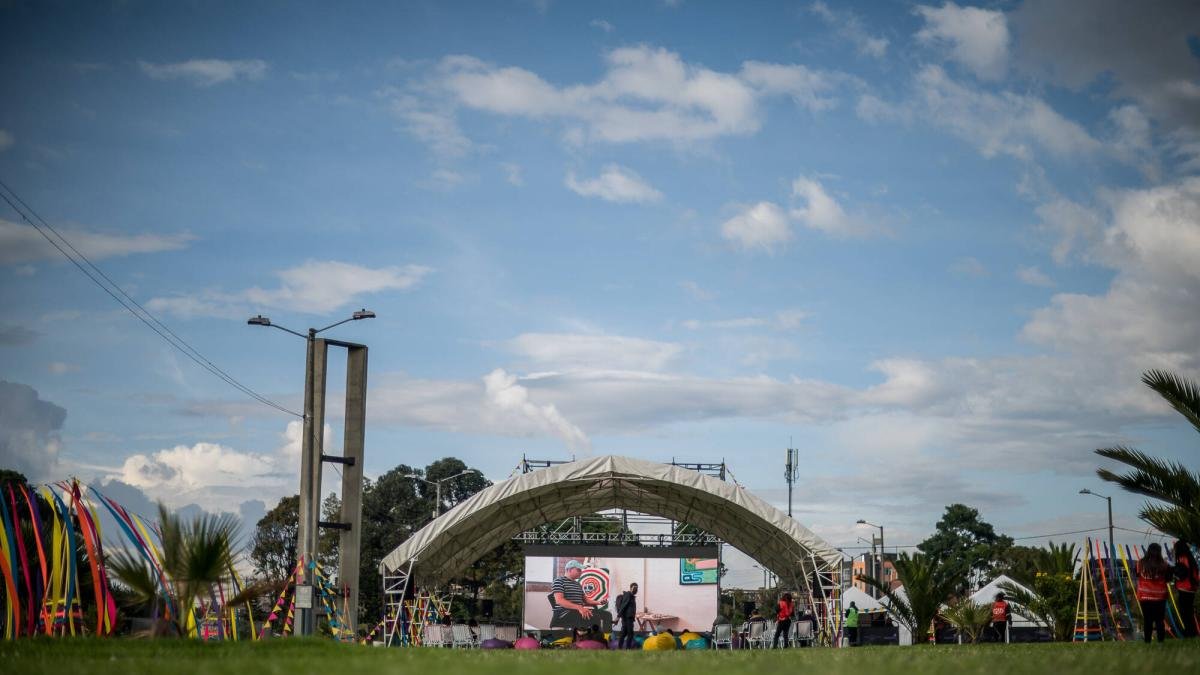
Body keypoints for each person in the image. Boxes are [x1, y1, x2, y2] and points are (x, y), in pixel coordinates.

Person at [549, 560, 613, 631]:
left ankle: (606, 638)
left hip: (578, 610)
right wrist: (579, 607)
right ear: (569, 570)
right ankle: (593, 640)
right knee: (594, 617)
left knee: (607, 615)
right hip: (564, 612)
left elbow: (586, 600)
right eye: (578, 570)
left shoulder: (577, 584)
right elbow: (559, 601)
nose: (581, 572)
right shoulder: (559, 581)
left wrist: (599, 602)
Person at [1137, 542, 1171, 643]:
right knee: (1159, 620)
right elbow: (1168, 579)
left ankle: (1147, 642)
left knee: (1147, 620)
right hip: (1160, 596)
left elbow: (1137, 574)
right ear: (1159, 552)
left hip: (1145, 596)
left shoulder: (1140, 563)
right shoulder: (1164, 564)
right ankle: (1161, 642)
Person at [1173, 540, 1198, 638]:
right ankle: (1192, 631)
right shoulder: (1191, 559)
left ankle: (1189, 632)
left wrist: (1175, 575)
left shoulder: (1181, 559)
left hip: (1184, 588)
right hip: (1192, 588)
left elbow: (1181, 574)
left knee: (1184, 612)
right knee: (1189, 612)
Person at [615, 582, 639, 649]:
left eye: (637, 588)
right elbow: (623, 606)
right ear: (631, 588)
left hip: (627, 618)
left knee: (624, 633)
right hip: (628, 618)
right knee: (630, 634)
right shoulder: (628, 595)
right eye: (635, 588)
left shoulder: (631, 596)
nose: (636, 590)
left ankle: (620, 648)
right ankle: (628, 649)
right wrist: (618, 617)